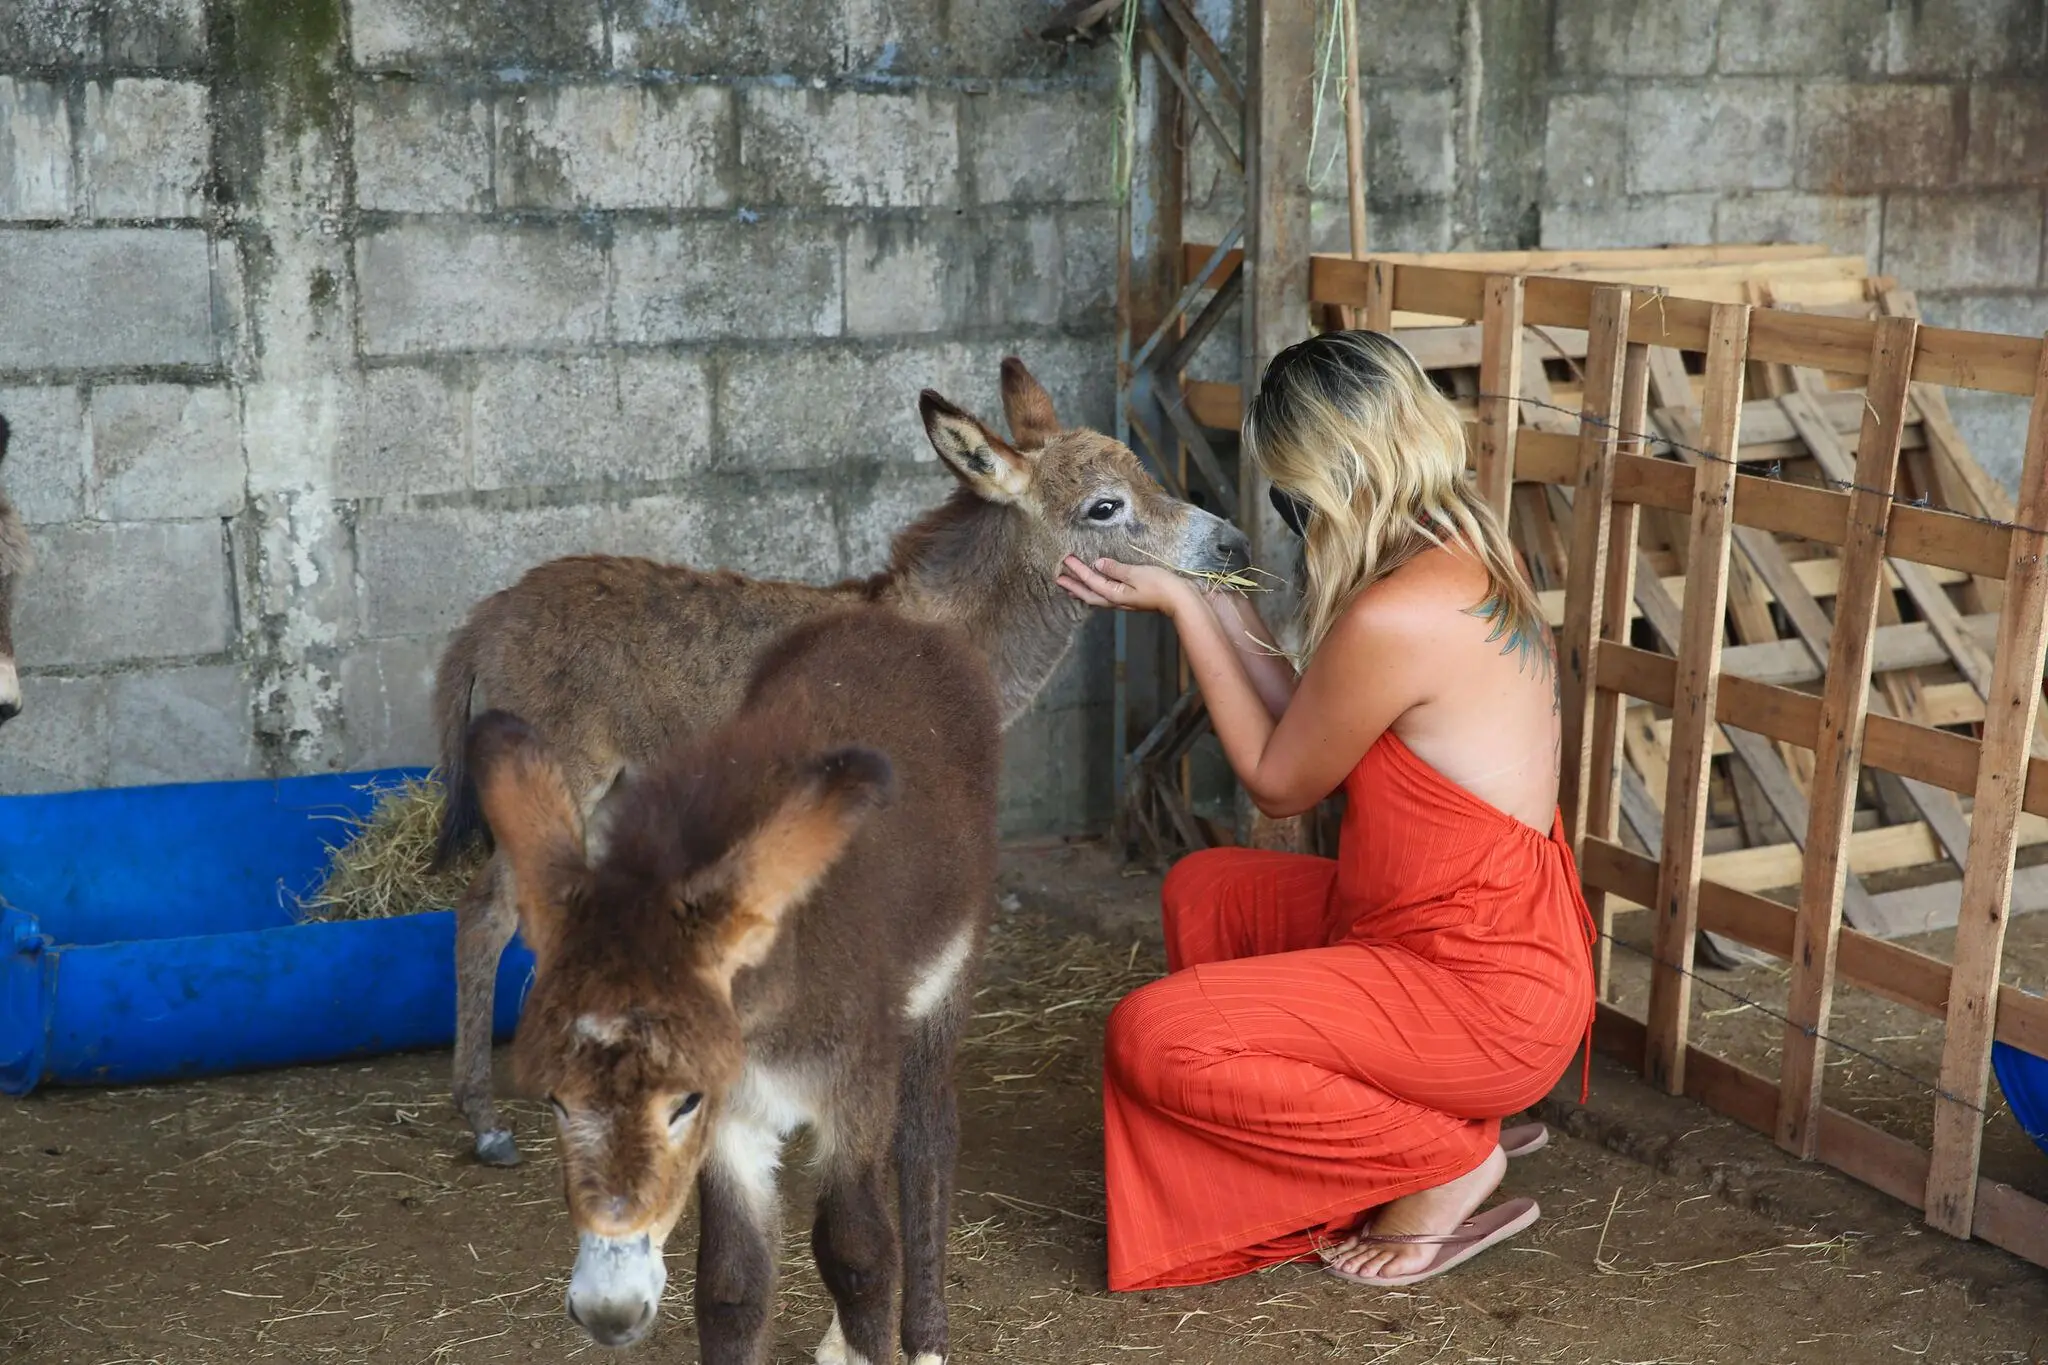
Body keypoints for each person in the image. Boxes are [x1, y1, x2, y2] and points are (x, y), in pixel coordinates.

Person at [1057, 330, 1596, 1292]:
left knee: (1153, 1036)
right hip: (1443, 934)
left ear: (1331, 472)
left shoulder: (1404, 612)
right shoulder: (1457, 548)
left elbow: (1277, 779)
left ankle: (1446, 1157)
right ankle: (1402, 1129)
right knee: (1208, 890)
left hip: (1480, 994)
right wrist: (1214, 594)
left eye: (1288, 492)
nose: (1289, 513)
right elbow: (1320, 707)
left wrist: (1187, 611)